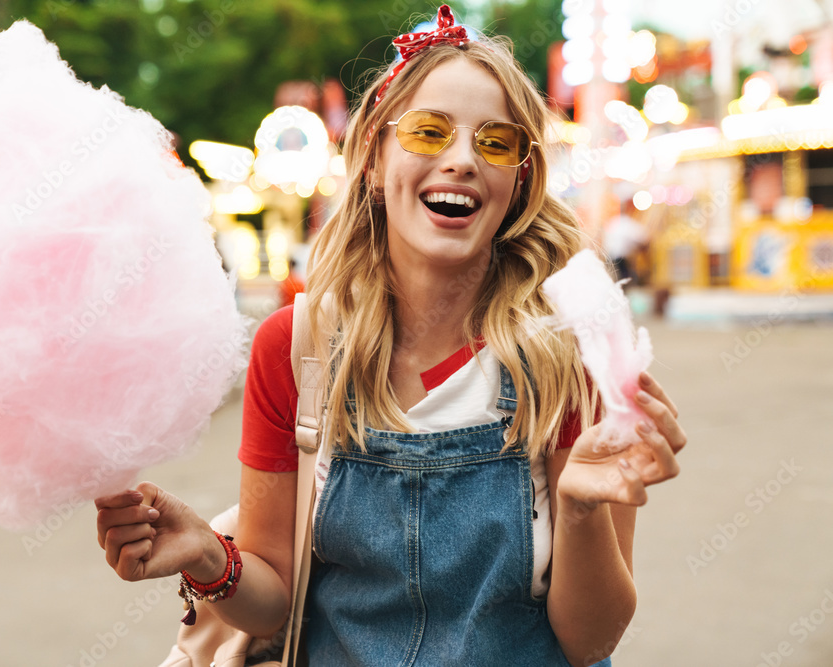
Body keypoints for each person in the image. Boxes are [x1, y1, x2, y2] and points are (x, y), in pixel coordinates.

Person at [95, 7, 686, 665]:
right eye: (430, 132)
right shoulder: (296, 348)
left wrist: (579, 510)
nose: (461, 160)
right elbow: (277, 596)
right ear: (374, 159)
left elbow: (591, 638)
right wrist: (210, 556)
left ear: (518, 180)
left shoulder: (567, 351)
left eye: (495, 142)